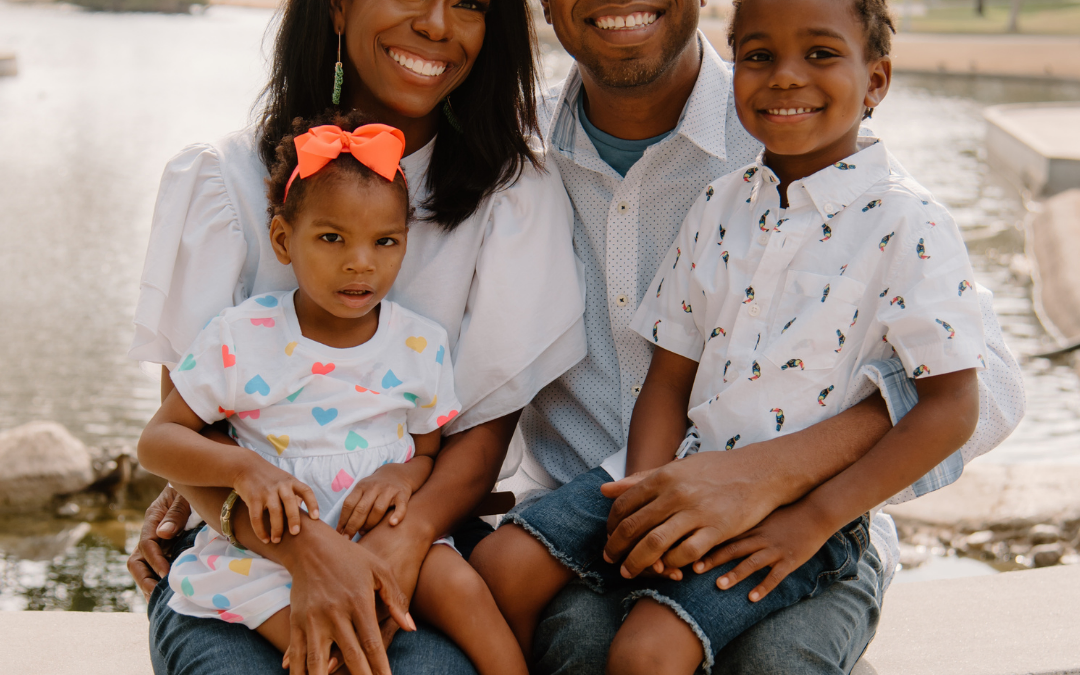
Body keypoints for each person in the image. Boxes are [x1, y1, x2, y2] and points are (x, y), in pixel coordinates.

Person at [476, 0, 1025, 673]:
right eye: (760, 56)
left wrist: (777, 478)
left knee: (743, 656)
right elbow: (667, 372)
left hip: (810, 511)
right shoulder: (507, 148)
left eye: (818, 55)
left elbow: (983, 388)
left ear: (876, 80)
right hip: (622, 482)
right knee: (534, 598)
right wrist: (652, 492)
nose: (787, 76)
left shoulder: (877, 195)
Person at [126, 1, 584, 674]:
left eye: (469, 4)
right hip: (246, 557)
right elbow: (190, 439)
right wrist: (310, 552)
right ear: (338, 7)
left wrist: (401, 543)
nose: (436, 24)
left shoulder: (512, 195)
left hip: (412, 539)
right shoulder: (222, 180)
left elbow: (477, 435)